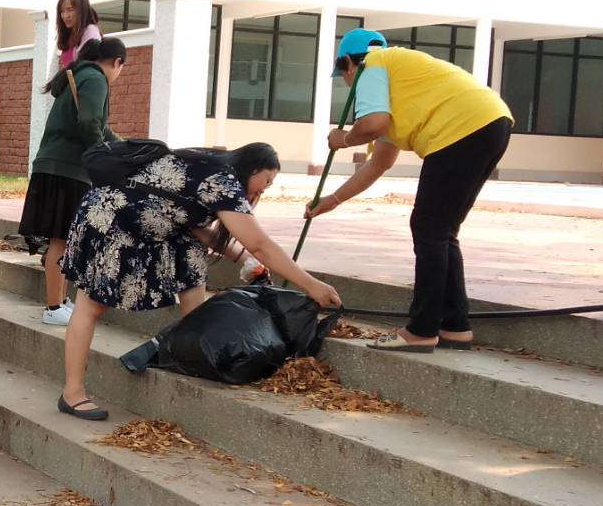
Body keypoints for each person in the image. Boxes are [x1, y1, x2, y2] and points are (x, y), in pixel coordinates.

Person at [59, 143, 342, 420]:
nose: (262, 190)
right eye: (265, 181)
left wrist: (244, 261)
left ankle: (198, 351)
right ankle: (72, 392)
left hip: (156, 226)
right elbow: (259, 244)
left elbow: (196, 228)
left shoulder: (216, 165)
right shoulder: (222, 180)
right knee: (92, 306)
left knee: (192, 263)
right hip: (110, 219)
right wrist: (311, 285)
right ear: (252, 168)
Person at [305, 29, 513, 353]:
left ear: (347, 63)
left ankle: (421, 330)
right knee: (442, 231)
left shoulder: (372, 65)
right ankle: (454, 326)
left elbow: (372, 123)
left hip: (460, 128)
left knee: (429, 228)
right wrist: (331, 201)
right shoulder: (400, 80)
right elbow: (378, 164)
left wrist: (342, 139)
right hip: (492, 122)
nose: (347, 85)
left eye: (343, 75)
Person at [20, 37, 124, 326]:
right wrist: (103, 156)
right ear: (116, 62)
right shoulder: (96, 79)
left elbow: (97, 126)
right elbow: (91, 125)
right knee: (62, 239)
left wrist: (123, 147)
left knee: (63, 239)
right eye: (121, 69)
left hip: (54, 165)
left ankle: (60, 302)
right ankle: (53, 307)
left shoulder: (79, 74)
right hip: (69, 169)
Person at [56, 0, 103, 68]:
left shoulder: (90, 31)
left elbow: (84, 65)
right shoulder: (70, 34)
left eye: (70, 10)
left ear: (82, 10)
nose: (65, 16)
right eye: (62, 11)